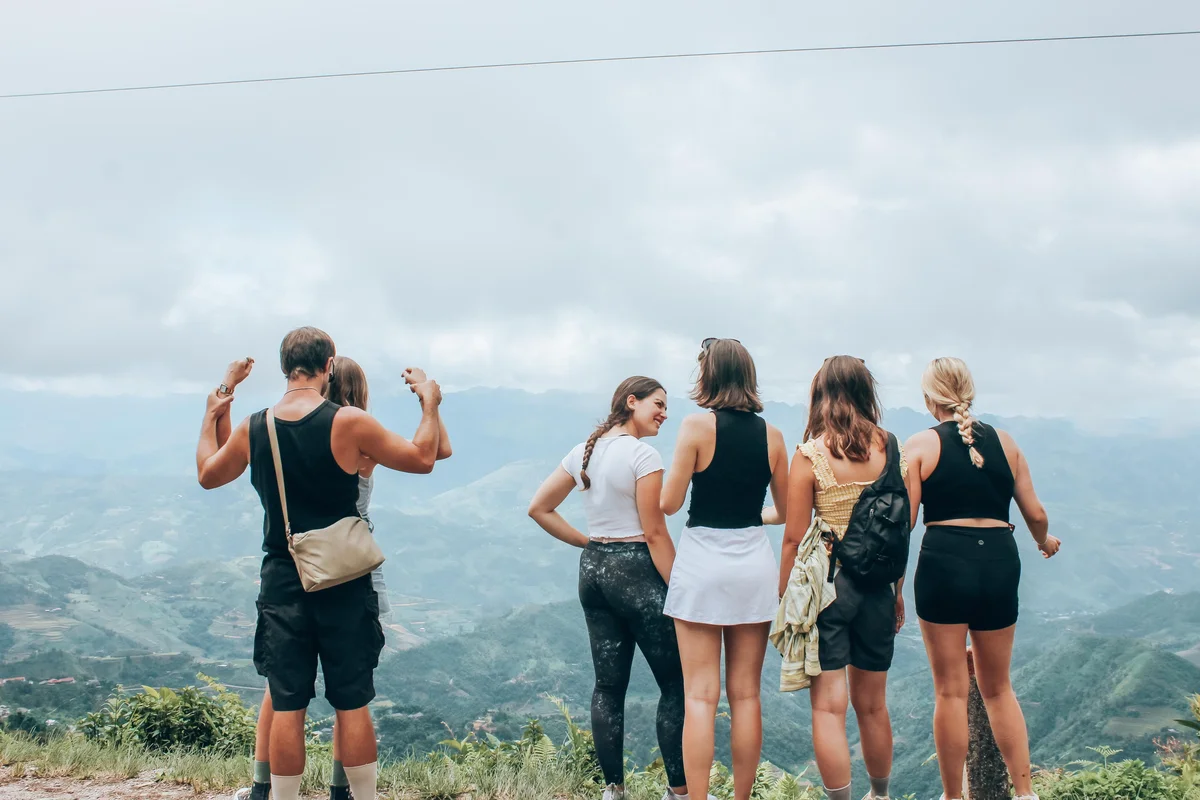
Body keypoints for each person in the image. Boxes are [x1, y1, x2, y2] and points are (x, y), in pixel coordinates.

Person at [196, 327, 447, 800]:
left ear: (284, 367)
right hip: (343, 579)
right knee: (351, 702)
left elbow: (209, 474)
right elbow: (423, 458)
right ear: (329, 365)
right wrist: (429, 403)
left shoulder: (257, 425)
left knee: (287, 703)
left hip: (282, 578)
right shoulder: (349, 422)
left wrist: (215, 409)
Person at [904, 357, 1059, 800]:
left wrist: (895, 589)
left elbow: (906, 523)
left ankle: (954, 796)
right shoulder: (1006, 444)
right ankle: (1026, 793)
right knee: (998, 687)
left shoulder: (919, 446)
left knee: (950, 693)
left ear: (930, 398)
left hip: (943, 562)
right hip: (998, 561)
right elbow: (1036, 515)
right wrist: (1045, 542)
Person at [528, 377, 689, 800]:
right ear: (630, 402)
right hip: (637, 572)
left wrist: (591, 543)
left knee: (608, 686)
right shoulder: (643, 455)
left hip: (594, 572)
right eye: (658, 404)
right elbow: (655, 534)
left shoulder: (585, 450)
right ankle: (679, 791)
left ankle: (613, 791)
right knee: (676, 685)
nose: (664, 413)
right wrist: (682, 591)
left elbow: (539, 508)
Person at [660, 339, 789, 800]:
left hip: (702, 562)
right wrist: (755, 517)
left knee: (700, 697)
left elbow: (669, 504)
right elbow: (786, 510)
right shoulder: (773, 436)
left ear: (708, 375)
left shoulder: (695, 427)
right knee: (746, 696)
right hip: (752, 562)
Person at [776, 356, 906, 800]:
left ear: (821, 396)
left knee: (829, 710)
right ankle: (881, 794)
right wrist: (898, 593)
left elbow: (793, 539)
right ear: (866, 392)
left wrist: (787, 600)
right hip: (878, 588)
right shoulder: (891, 447)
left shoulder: (811, 454)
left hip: (827, 586)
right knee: (872, 706)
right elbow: (900, 527)